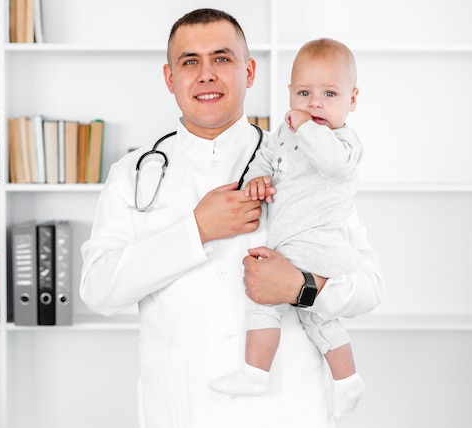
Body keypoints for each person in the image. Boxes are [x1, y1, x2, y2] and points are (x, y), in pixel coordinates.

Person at [80, 8, 384, 428]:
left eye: (222, 59)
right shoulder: (133, 174)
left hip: (290, 411)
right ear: (170, 78)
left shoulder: (308, 155)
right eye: (190, 62)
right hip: (182, 412)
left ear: (250, 71)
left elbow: (369, 286)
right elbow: (98, 291)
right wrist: (197, 230)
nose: (206, 74)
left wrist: (302, 288)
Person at [210, 38, 366, 421]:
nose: (315, 103)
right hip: (293, 242)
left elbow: (331, 163)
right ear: (290, 93)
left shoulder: (345, 142)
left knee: (264, 298)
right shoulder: (285, 130)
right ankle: (347, 383)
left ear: (352, 100)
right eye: (304, 93)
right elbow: (266, 155)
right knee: (318, 319)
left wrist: (305, 128)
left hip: (318, 244)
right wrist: (259, 177)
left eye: (329, 93)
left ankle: (255, 372)